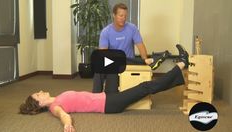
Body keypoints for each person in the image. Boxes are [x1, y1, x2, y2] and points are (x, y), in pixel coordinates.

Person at [19, 44, 189, 132]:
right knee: (146, 87)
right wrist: (67, 125)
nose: (40, 91)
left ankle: (153, 61)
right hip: (110, 105)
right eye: (37, 95)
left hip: (106, 96)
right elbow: (63, 116)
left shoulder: (57, 98)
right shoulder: (55, 107)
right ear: (39, 104)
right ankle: (182, 64)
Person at [93, 3, 169, 93]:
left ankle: (147, 61)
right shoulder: (106, 32)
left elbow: (140, 45)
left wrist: (144, 59)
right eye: (121, 16)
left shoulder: (132, 28)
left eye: (125, 16)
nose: (123, 18)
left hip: (128, 62)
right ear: (114, 15)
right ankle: (95, 97)